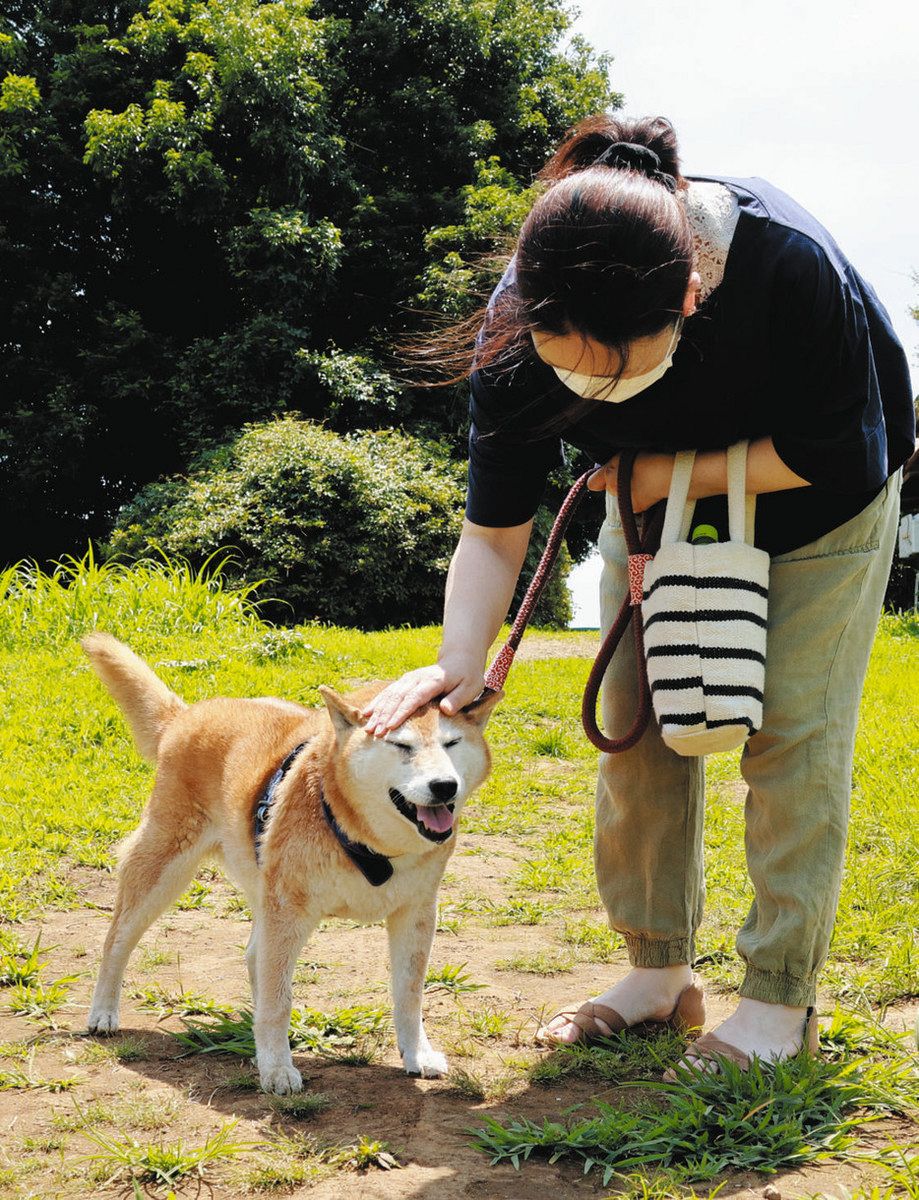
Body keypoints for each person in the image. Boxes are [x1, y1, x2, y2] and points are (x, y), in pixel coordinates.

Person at [361, 114, 915, 1073]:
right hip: (645, 500)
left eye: (627, 370)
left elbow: (846, 449)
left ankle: (777, 1003)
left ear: (691, 298)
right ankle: (658, 974)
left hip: (823, 502)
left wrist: (661, 477)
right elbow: (494, 531)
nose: (601, 397)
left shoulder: (786, 267)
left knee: (788, 733)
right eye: (572, 370)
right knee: (641, 726)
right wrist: (461, 661)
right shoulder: (512, 328)